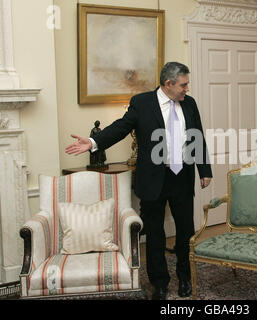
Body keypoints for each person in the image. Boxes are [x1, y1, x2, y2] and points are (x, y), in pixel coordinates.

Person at [65, 62, 213, 300]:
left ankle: (185, 277)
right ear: (169, 83)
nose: (187, 89)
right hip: (154, 178)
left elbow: (197, 136)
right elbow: (121, 128)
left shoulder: (190, 103)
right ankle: (160, 283)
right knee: (154, 233)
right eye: (183, 85)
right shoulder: (142, 103)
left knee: (186, 230)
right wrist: (93, 143)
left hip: (182, 177)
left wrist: (204, 170)